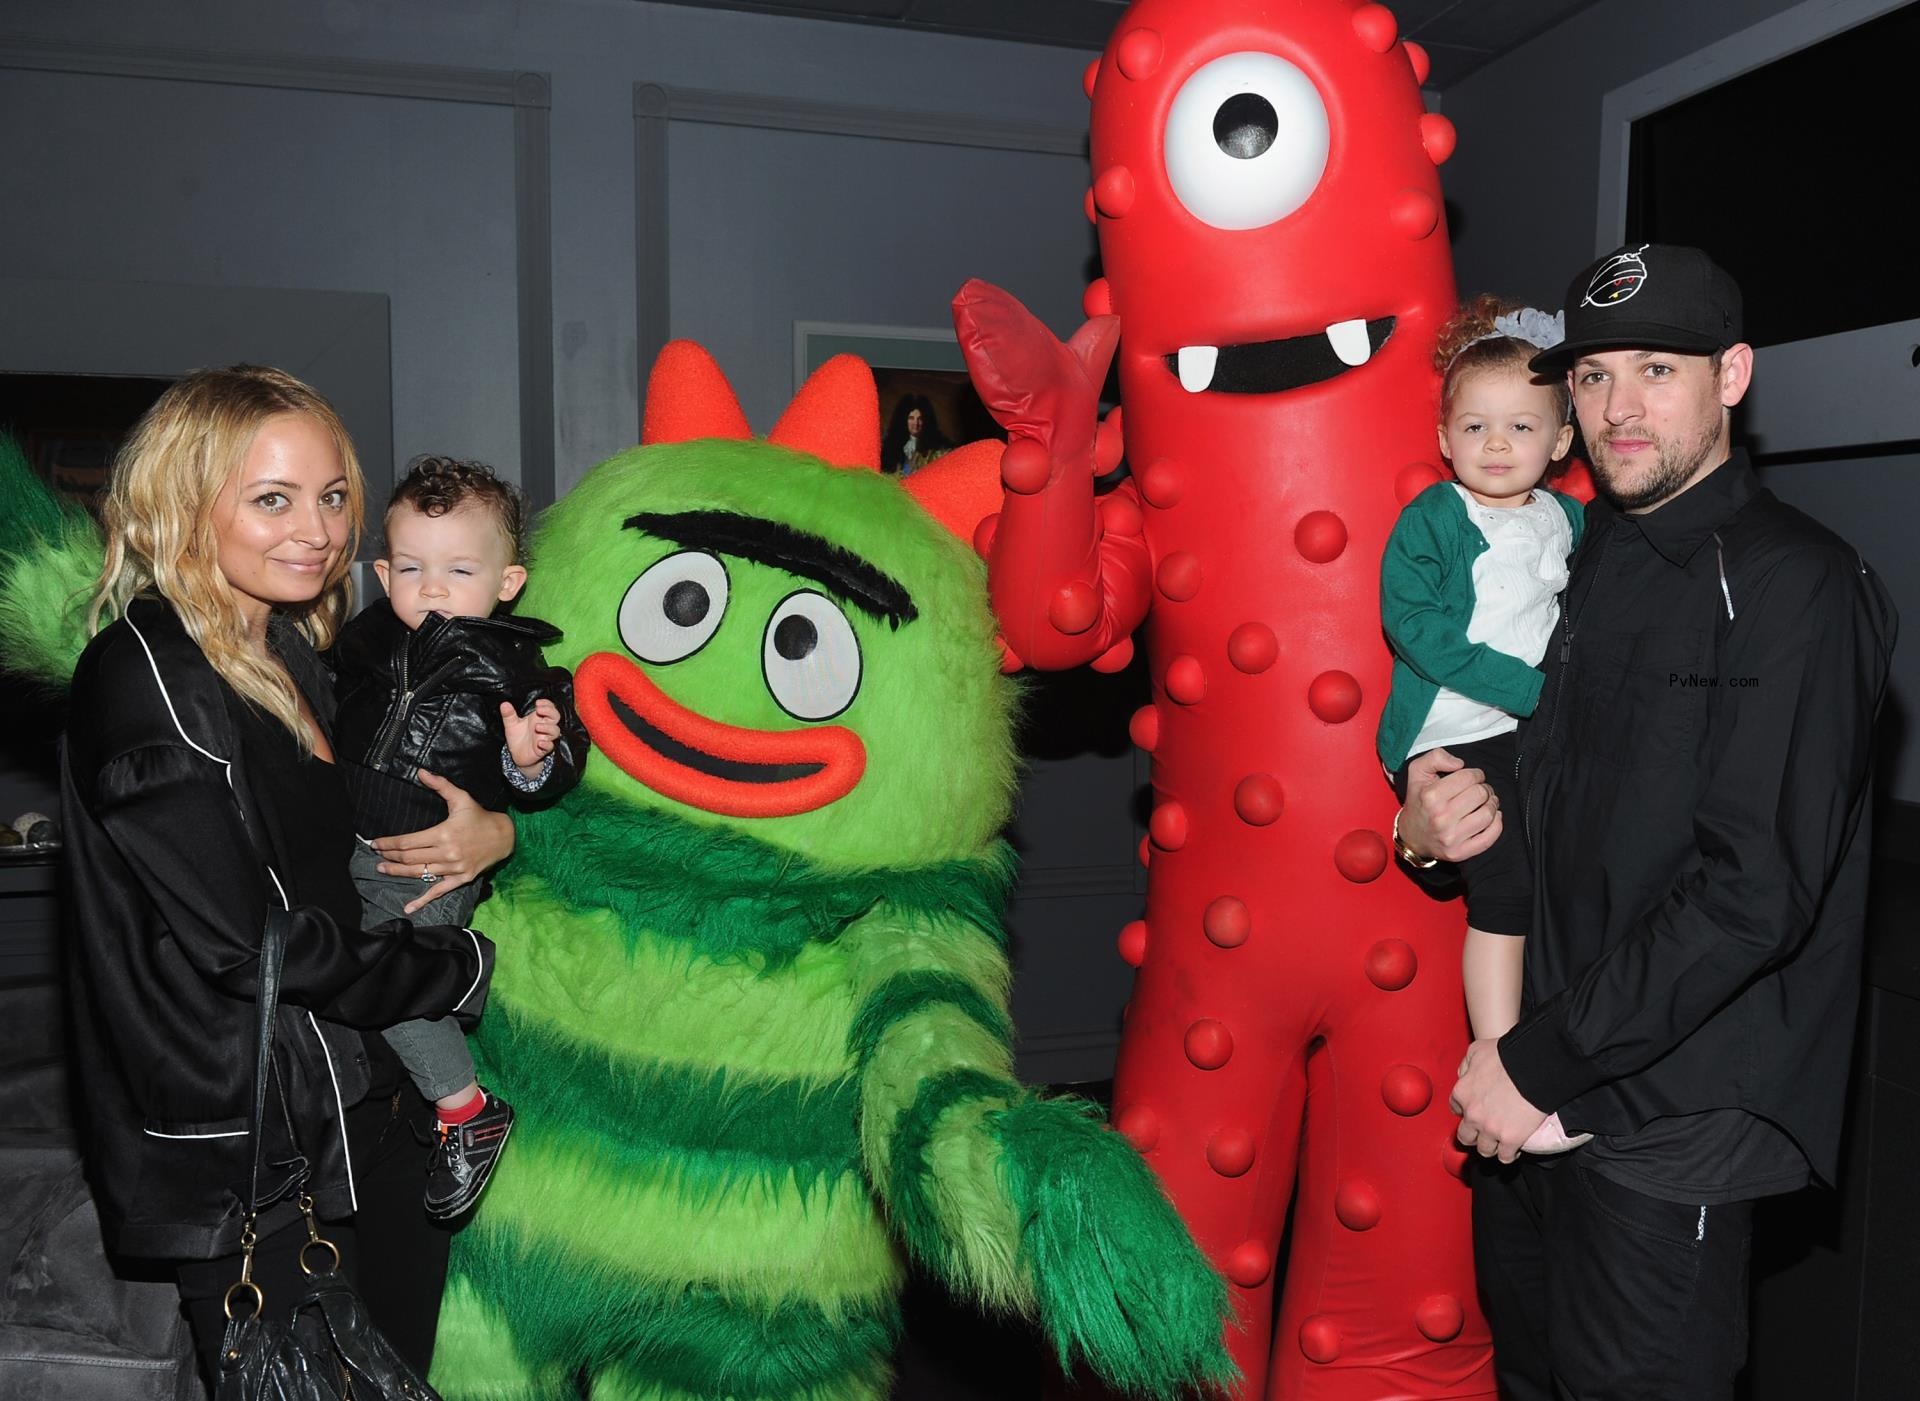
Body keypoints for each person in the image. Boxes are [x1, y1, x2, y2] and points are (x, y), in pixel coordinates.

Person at [1396, 245, 1897, 1399]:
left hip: (1670, 1117)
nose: (1620, 409)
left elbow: (1754, 892)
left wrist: (1540, 1065)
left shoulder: (1798, 585)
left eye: (1657, 370)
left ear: (1732, 375)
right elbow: (1548, 776)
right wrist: (1431, 826)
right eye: (1594, 376)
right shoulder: (1595, 550)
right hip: (1544, 1082)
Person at [58, 365, 515, 1389]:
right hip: (254, 1158)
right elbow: (249, 942)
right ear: (183, 504)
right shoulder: (146, 678)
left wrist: (492, 834)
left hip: (370, 1115)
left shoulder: (289, 648)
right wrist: (455, 974)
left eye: (333, 495)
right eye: (272, 498)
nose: (316, 529)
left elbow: (356, 829)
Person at [332, 454, 587, 1219]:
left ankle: (466, 1109)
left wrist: (529, 757)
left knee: (392, 985)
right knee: (351, 967)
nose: (432, 587)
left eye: (458, 569)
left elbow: (559, 765)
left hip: (431, 861)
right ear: (382, 571)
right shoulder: (365, 641)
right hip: (351, 842)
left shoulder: (518, 669)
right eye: (411, 567)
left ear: (507, 582)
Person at [1377, 295, 1586, 1156]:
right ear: (1443, 438)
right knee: (1501, 886)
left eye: (1521, 427)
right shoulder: (1434, 518)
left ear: (1561, 442)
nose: (1497, 447)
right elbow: (1415, 628)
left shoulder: (1570, 519)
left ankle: (1544, 1051)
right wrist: (1531, 688)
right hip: (1454, 730)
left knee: (1552, 881)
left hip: (1531, 727)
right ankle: (1499, 1067)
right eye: (1476, 427)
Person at [881, 394, 950, 476]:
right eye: (911, 418)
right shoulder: (890, 446)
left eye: (920, 419)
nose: (916, 423)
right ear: (903, 419)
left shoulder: (938, 449)